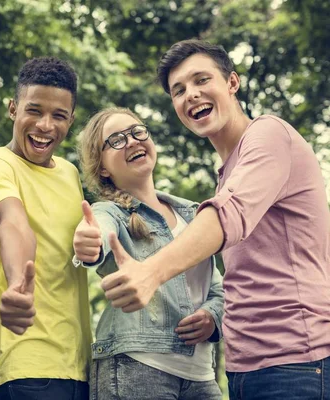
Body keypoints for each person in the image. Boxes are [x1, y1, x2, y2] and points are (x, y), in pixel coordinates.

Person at [77, 39, 330, 399]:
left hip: (294, 361)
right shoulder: (227, 174)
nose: (191, 95)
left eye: (201, 80)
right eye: (179, 90)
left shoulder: (269, 135)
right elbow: (238, 280)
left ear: (232, 82)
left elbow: (228, 215)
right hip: (245, 368)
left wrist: (151, 273)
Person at [73, 107, 224, 399]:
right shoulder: (109, 212)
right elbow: (98, 231)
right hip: (136, 368)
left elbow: (218, 288)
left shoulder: (195, 214)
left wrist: (212, 316)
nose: (131, 141)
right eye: (115, 140)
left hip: (201, 377)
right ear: (102, 167)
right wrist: (89, 242)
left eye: (136, 131)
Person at [0, 57, 92, 399]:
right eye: (34, 110)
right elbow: (14, 223)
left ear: (71, 120)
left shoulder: (70, 173)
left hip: (78, 363)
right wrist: (17, 286)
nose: (45, 125)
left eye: (59, 116)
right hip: (24, 359)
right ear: (13, 109)